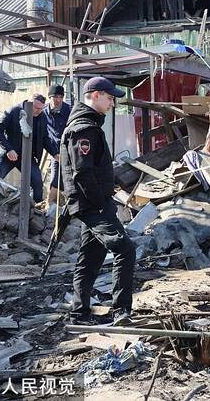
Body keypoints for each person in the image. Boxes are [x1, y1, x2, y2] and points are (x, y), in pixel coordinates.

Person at [60, 77, 136, 326]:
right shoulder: (84, 128)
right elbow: (82, 173)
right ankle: (121, 310)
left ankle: (79, 313)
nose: (112, 103)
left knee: (91, 258)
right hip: (93, 205)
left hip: (91, 203)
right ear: (94, 95)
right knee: (125, 249)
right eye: (110, 97)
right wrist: (101, 204)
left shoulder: (86, 125)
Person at [0, 94, 58, 203]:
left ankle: (37, 211)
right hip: (7, 154)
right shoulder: (14, 111)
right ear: (29, 103)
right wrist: (8, 149)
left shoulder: (41, 116)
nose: (39, 111)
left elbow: (45, 138)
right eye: (36, 108)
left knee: (37, 183)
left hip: (27, 156)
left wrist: (55, 153)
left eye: (41, 109)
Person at [43, 85, 71, 216]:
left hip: (69, 149)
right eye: (55, 97)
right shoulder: (44, 112)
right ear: (50, 97)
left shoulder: (68, 110)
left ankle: (70, 204)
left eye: (61, 97)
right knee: (55, 176)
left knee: (69, 176)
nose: (58, 100)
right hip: (55, 151)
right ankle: (50, 203)